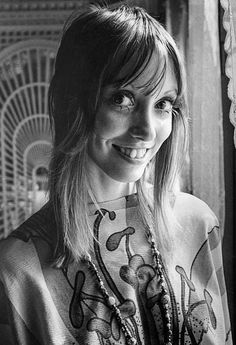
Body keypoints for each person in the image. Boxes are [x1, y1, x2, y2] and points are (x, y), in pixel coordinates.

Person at [0, 4, 232, 345]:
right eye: (123, 98)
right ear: (73, 103)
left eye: (163, 104)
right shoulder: (16, 270)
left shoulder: (197, 222)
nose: (147, 131)